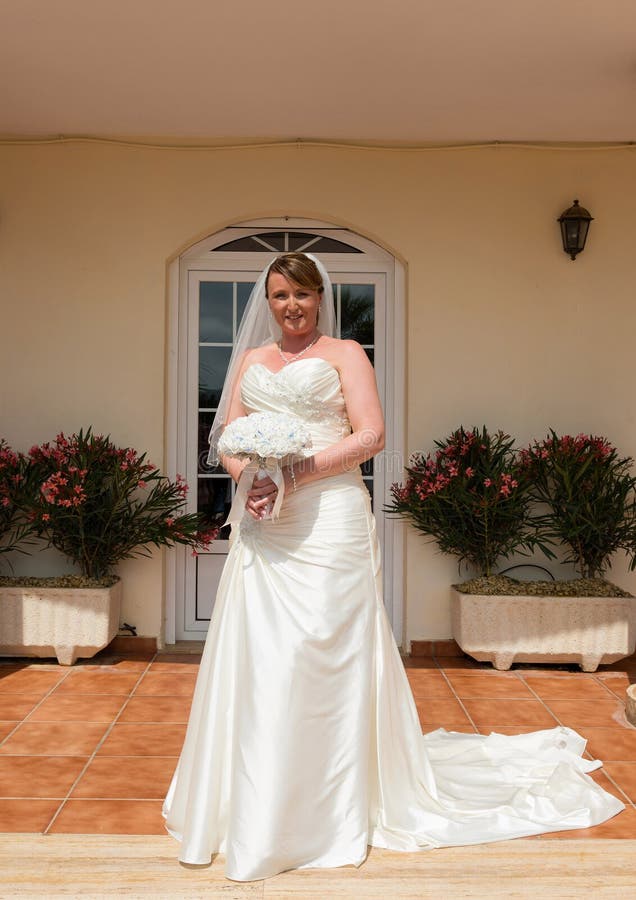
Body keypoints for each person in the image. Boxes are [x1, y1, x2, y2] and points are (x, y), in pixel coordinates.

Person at [163, 252, 623, 883]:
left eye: (300, 294)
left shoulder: (347, 353)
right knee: (265, 651)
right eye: (277, 295)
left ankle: (334, 796)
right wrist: (254, 480)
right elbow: (226, 437)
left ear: (318, 297)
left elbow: (370, 436)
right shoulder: (248, 362)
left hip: (329, 519)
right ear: (266, 302)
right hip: (268, 524)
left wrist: (293, 473)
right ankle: (260, 790)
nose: (289, 305)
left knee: (322, 647)